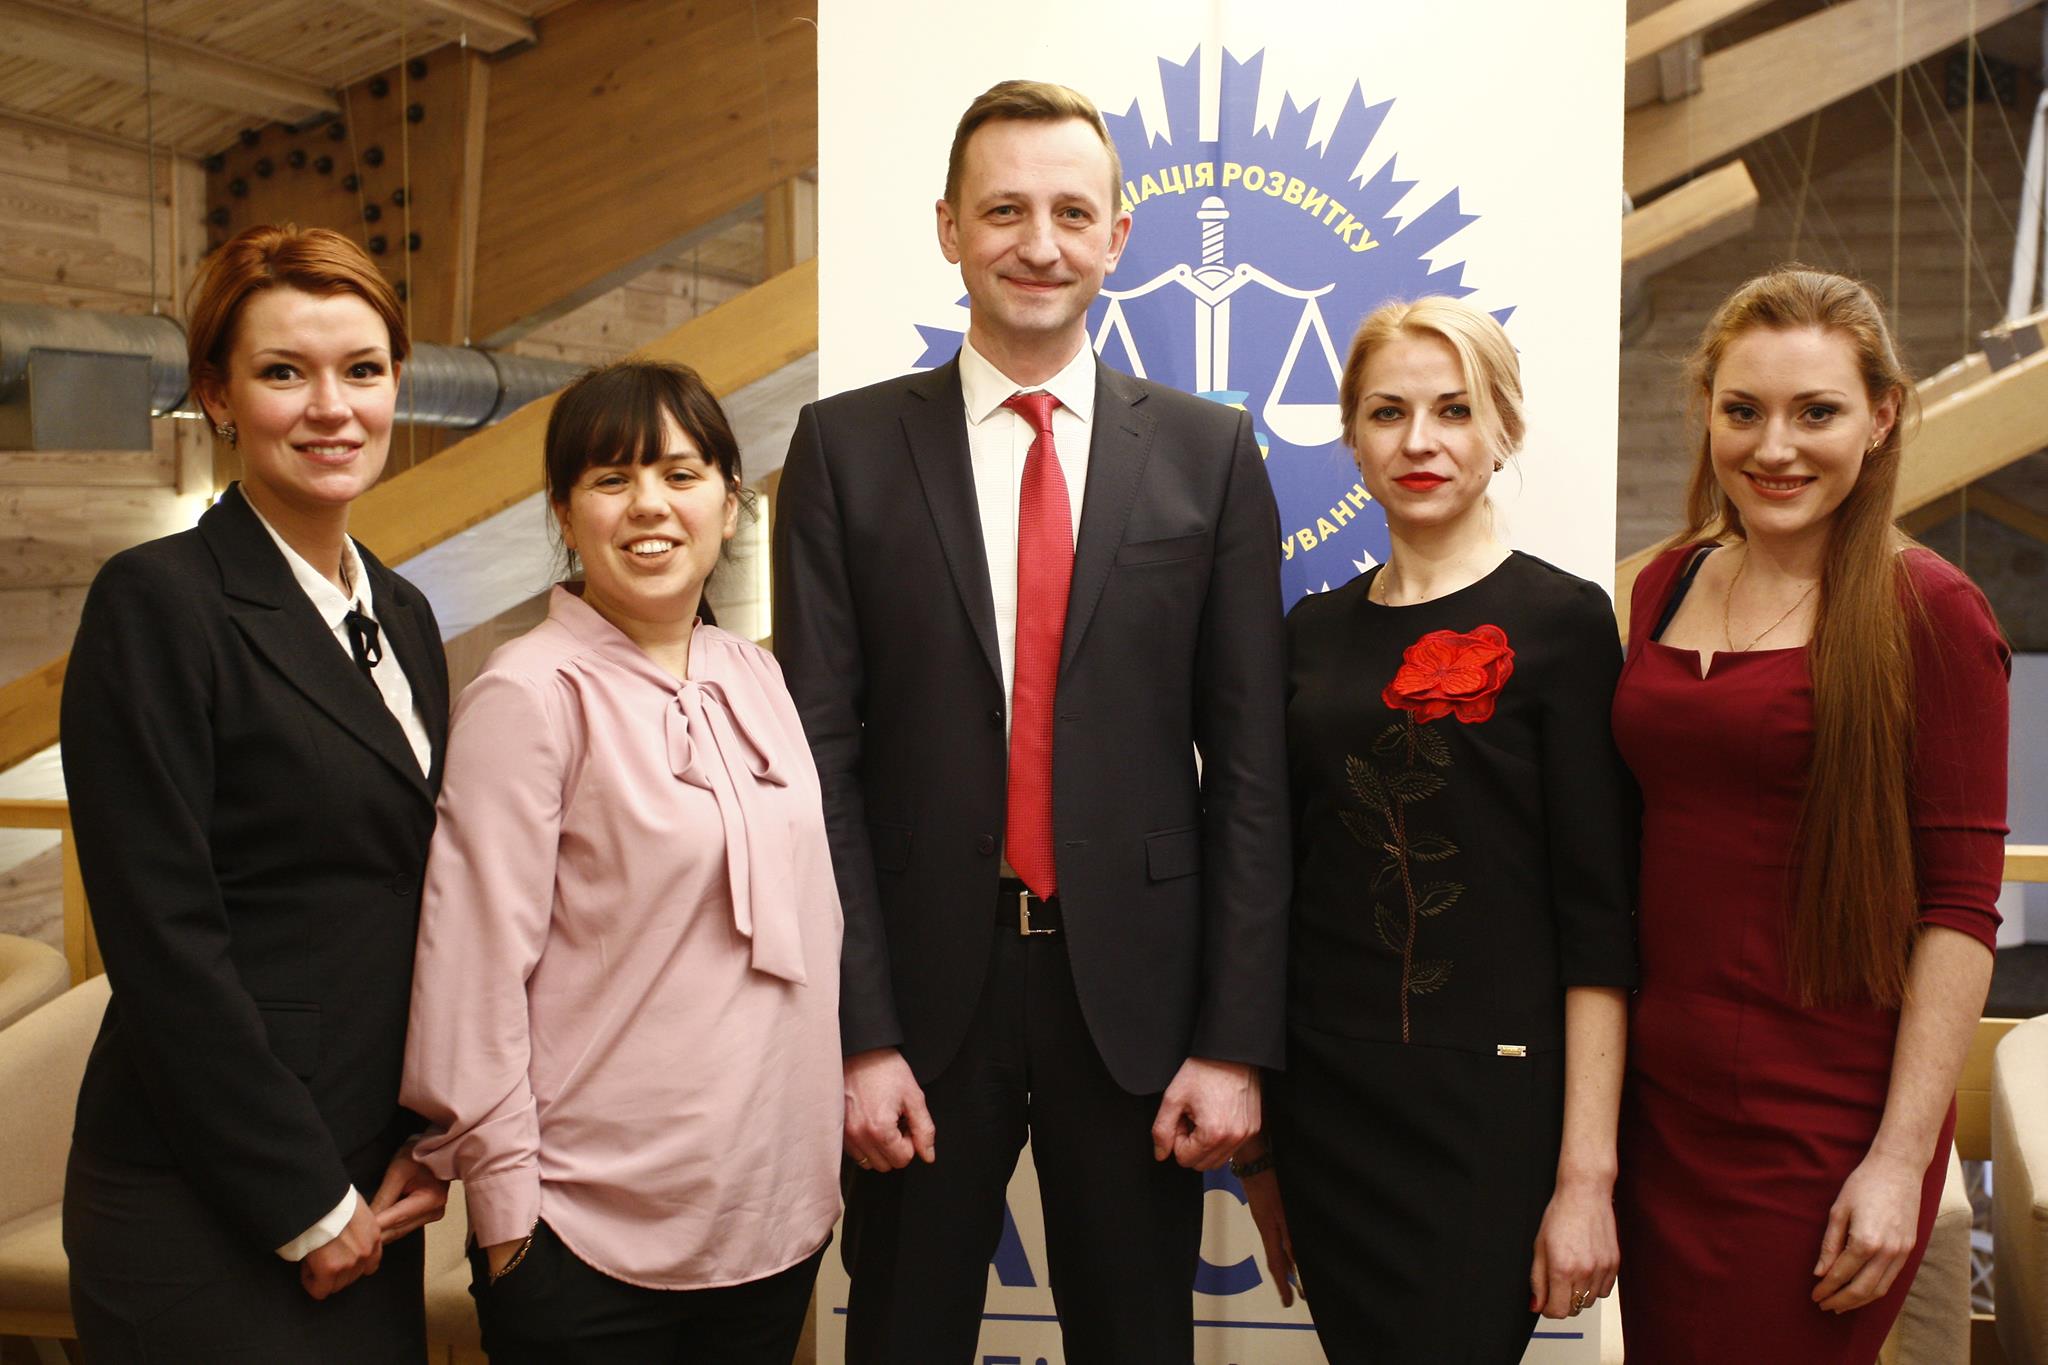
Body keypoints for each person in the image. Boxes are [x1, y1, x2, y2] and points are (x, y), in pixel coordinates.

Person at [773, 78, 1290, 1362]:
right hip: (917, 1009)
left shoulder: (1209, 453)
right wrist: (858, 1033)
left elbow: (1249, 771)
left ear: (1118, 235)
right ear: (948, 228)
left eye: (1070, 212)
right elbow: (817, 765)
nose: (1038, 244)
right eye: (1003, 210)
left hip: (1136, 1009)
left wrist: (1232, 1044)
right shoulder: (841, 451)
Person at [60, 223, 450, 1362]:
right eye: (285, 372)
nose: (332, 408)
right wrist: (302, 1200)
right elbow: (163, 938)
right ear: (217, 397)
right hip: (216, 1195)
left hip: (371, 1177)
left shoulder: (405, 612)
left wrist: (427, 1130)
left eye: (362, 370)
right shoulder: (158, 601)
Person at [401, 359, 841, 1364]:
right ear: (565, 512)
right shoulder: (528, 693)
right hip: (585, 1235)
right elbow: (471, 980)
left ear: (729, 501)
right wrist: (508, 1221)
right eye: (611, 478)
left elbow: (817, 927)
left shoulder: (756, 674)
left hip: (771, 1220)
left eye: (681, 474)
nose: (649, 504)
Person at [1612, 267, 2009, 1361]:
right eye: (1743, 410)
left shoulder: (1929, 610)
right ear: (1706, 410)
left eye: (1816, 412)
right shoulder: (1664, 585)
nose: (1773, 447)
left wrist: (1898, 1160)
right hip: (1660, 1111)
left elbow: (1959, 912)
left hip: (1822, 1126)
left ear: (1880, 417)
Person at [1236, 297, 1637, 1359]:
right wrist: (1262, 1150)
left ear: (1503, 429)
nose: (1419, 441)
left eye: (1453, 410)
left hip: (1489, 1117)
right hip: (1326, 1110)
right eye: (1388, 412)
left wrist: (1585, 1176)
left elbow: (1599, 922)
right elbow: (1276, 888)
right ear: (1352, 438)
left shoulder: (1563, 624)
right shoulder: (1308, 633)